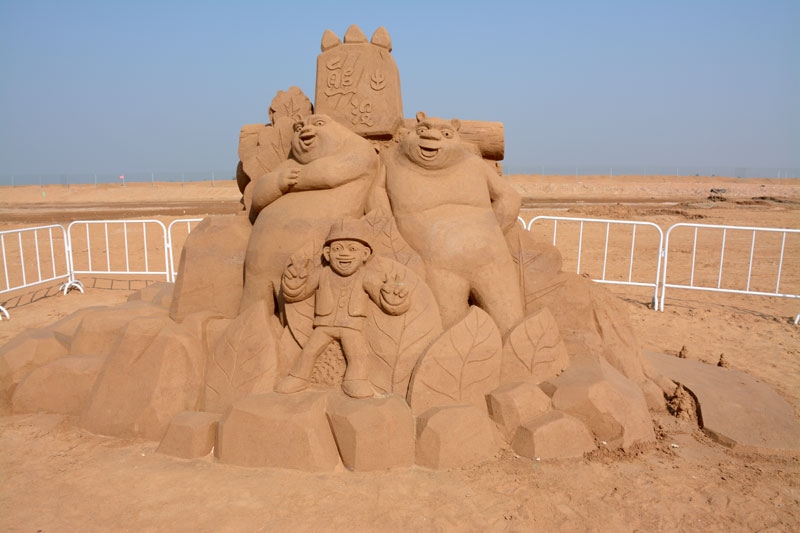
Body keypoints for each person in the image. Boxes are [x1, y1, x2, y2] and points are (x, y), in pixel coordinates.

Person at [275, 219, 411, 398]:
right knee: (310, 351)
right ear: (327, 253)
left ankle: (355, 380)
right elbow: (301, 292)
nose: (344, 254)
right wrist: (294, 283)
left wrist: (394, 296)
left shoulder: (366, 276)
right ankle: (298, 377)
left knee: (358, 354)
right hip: (324, 325)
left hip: (351, 326)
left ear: (365, 254)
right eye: (338, 248)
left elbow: (382, 299)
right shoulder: (322, 273)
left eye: (352, 249)